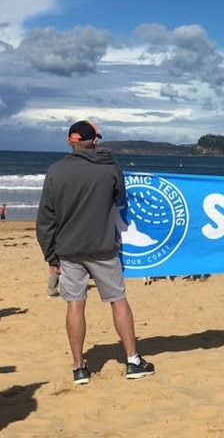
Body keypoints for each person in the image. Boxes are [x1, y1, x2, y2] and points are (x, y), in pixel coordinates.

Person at [36, 120, 155, 384]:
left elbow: (45, 219)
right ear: (94, 141)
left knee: (75, 305)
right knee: (118, 300)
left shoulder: (56, 171)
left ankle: (79, 368)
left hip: (68, 249)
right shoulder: (109, 169)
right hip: (101, 247)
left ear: (70, 141)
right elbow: (120, 199)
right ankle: (133, 360)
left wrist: (50, 255)